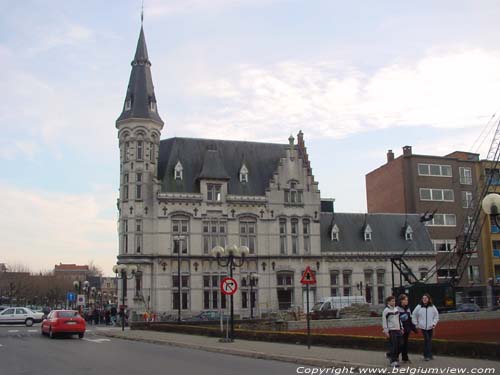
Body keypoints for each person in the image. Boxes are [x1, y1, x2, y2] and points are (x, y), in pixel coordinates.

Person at [412, 293, 439, 361]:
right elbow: (414, 315)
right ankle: (426, 355)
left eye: (426, 298)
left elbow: (436, 316)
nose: (424, 299)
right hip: (423, 327)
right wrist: (416, 324)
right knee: (427, 340)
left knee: (429, 341)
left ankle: (429, 354)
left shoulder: (432, 307)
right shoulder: (419, 306)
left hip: (430, 327)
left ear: (429, 299)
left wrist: (434, 323)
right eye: (423, 298)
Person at [382, 295, 402, 368]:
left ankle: (390, 354)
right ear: (388, 302)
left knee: (400, 345)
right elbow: (384, 321)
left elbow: (399, 319)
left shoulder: (396, 310)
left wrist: (401, 327)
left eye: (394, 301)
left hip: (398, 329)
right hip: (391, 330)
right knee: (394, 345)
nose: (394, 302)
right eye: (392, 301)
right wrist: (386, 331)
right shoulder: (386, 311)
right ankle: (393, 361)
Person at [397, 294, 417, 364]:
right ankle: (392, 355)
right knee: (400, 344)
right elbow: (397, 320)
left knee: (405, 344)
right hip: (400, 329)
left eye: (407, 300)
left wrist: (414, 328)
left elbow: (410, 319)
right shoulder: (397, 309)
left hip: (407, 329)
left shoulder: (408, 309)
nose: (407, 301)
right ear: (401, 300)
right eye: (405, 300)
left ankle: (405, 358)